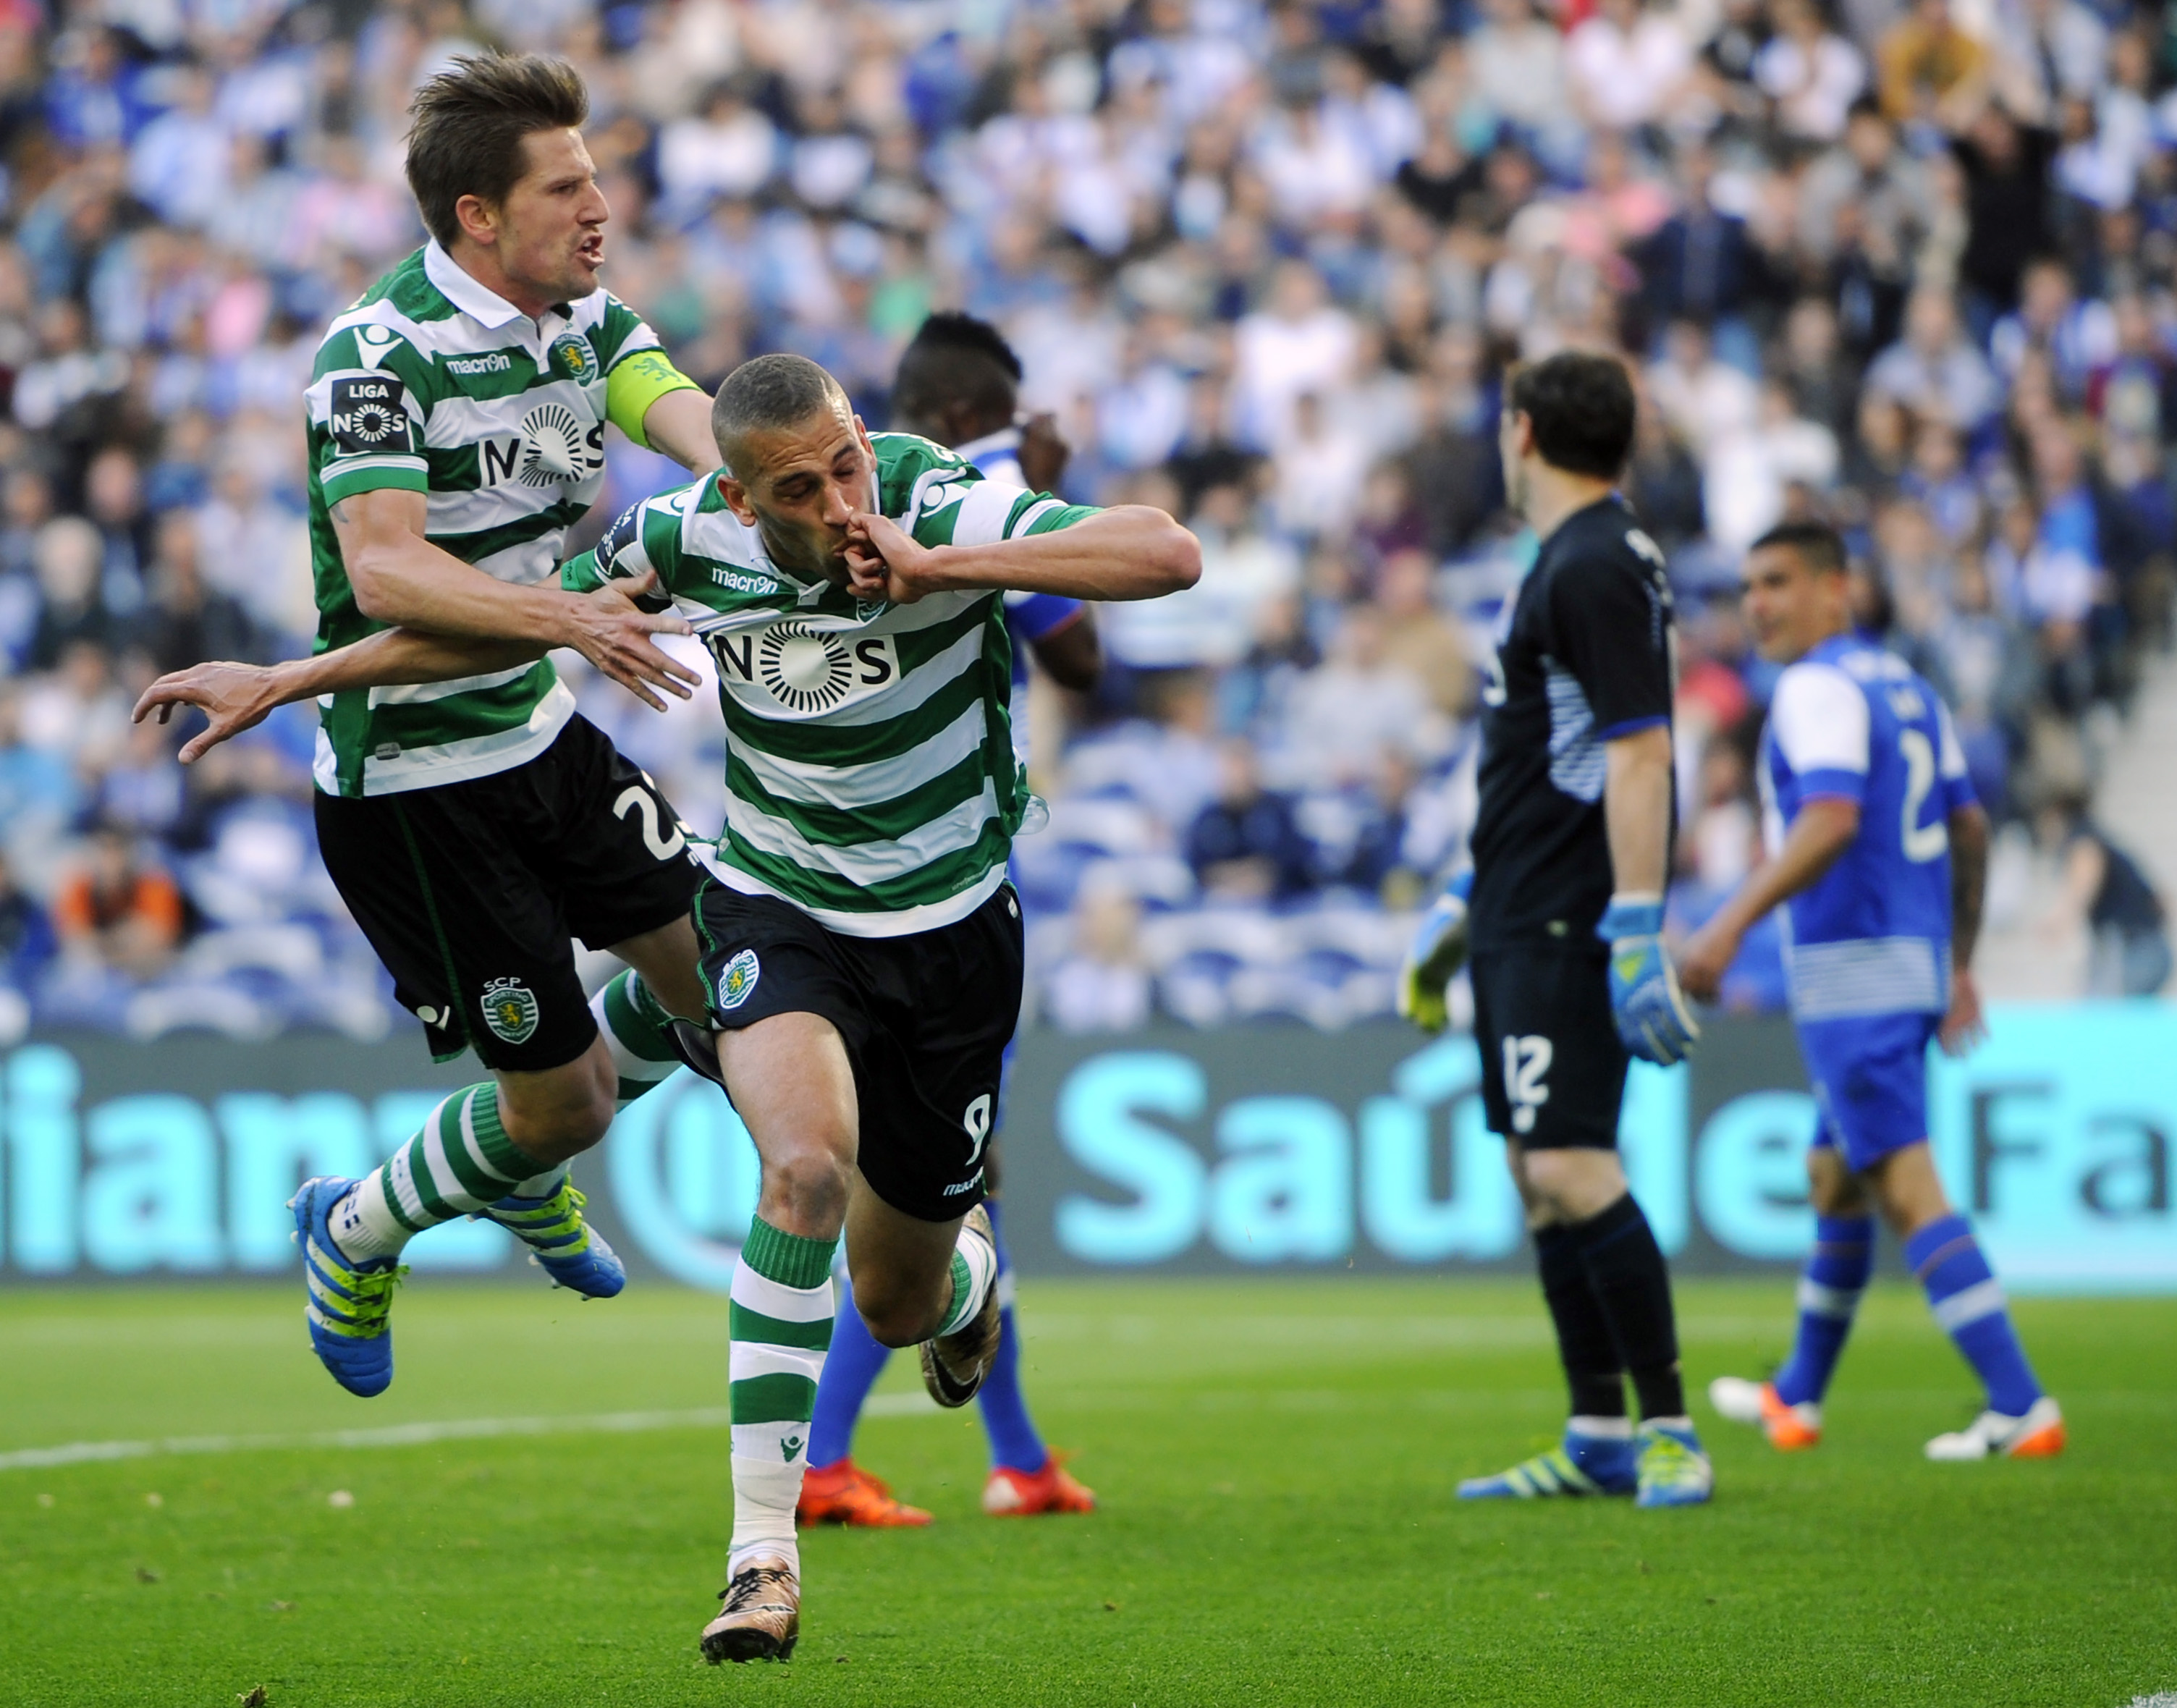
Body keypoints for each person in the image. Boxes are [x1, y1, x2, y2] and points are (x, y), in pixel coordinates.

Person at [132, 54, 729, 1400]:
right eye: (567, 186)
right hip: (414, 786)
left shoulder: (581, 316)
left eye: (596, 179)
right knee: (560, 1108)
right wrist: (568, 617)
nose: (599, 208)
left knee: (725, 974)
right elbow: (389, 572)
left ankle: (514, 1166)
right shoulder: (375, 355)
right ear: (477, 214)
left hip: (538, 733)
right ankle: (357, 1227)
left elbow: (668, 403)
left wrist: (757, 463)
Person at [795, 311, 1103, 1529]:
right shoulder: (958, 502)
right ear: (972, 420)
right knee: (931, 1190)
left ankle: (1018, 1456)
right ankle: (820, 1456)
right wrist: (1039, 508)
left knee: (963, 1187)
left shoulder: (825, 518)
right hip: (930, 900)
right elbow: (1080, 661)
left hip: (841, 889)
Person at [1398, 351, 1712, 1509]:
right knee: (1541, 1176)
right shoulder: (1574, 560)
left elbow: (1640, 749)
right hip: (1518, 905)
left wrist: (1636, 927)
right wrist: (1462, 903)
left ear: (1521, 432)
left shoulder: (1590, 562)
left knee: (1576, 1167)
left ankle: (1671, 1425)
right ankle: (1597, 1433)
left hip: (1569, 912)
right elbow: (1539, 758)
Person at [1683, 523, 2064, 1463]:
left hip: (1854, 972)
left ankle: (2018, 1402)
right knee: (1833, 1176)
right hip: (1907, 962)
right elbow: (1970, 830)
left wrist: (1727, 924)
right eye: (1749, 586)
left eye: (1779, 582)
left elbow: (1832, 819)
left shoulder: (1814, 688)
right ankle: (1798, 1395)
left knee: (1904, 1184)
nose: (1758, 603)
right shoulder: (1905, 686)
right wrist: (1958, 960)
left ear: (1836, 590)